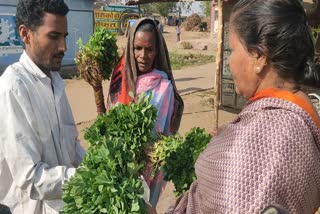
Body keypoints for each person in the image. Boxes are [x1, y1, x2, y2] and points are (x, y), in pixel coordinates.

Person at [167, 0, 320, 213]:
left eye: (233, 49)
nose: (229, 61)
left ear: (259, 57)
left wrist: (236, 147)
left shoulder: (254, 152)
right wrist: (229, 141)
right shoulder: (302, 109)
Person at [0, 0, 85, 213]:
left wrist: (101, 166)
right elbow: (30, 178)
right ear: (25, 34)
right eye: (53, 36)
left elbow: (72, 148)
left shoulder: (55, 81)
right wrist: (88, 177)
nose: (63, 47)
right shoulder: (13, 87)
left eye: (64, 37)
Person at [107, 17, 184, 208]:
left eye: (149, 49)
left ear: (157, 52)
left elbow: (166, 132)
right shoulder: (120, 82)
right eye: (137, 48)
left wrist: (154, 150)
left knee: (145, 207)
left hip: (150, 168)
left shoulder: (164, 87)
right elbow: (108, 122)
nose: (143, 55)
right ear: (130, 48)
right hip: (121, 165)